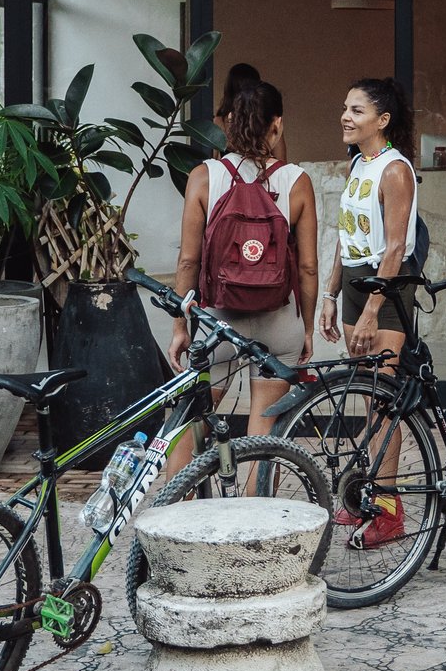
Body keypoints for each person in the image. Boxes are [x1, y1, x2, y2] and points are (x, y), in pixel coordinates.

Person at [167, 76, 318, 469]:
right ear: (277, 125)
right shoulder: (297, 181)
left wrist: (181, 327)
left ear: (229, 122)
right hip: (279, 320)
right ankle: (256, 506)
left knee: (191, 422)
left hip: (218, 321)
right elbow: (307, 266)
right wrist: (306, 327)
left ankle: (175, 504)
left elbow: (188, 261)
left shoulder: (204, 175)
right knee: (265, 432)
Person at [323, 76, 420, 548]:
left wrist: (372, 311)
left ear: (382, 120)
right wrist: (330, 294)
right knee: (367, 396)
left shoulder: (395, 170)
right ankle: (370, 498)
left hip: (387, 288)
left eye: (357, 110)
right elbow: (346, 235)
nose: (346, 116)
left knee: (383, 402)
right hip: (355, 283)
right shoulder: (358, 163)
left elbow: (396, 246)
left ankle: (389, 512)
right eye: (346, 107)